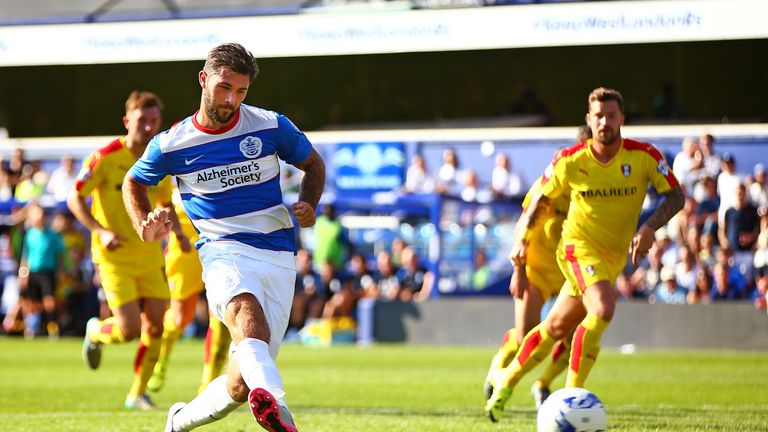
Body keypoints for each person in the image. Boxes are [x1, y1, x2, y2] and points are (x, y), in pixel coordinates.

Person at [122, 43, 325, 432]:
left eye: (241, 91)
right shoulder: (172, 143)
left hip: (277, 254)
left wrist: (309, 204)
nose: (232, 100)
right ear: (203, 79)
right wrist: (143, 221)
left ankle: (179, 421)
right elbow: (134, 181)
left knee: (240, 382)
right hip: (221, 250)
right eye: (224, 87)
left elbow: (313, 164)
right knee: (247, 318)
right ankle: (281, 410)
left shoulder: (270, 125)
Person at [485, 87, 684, 422]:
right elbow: (538, 202)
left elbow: (676, 196)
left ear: (622, 119)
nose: (605, 122)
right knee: (603, 308)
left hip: (612, 259)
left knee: (555, 327)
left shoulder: (645, 157)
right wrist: (521, 245)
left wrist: (650, 227)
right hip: (576, 250)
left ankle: (507, 379)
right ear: (589, 120)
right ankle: (572, 400)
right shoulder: (569, 161)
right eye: (599, 116)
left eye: (611, 116)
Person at [68, 90, 181, 410]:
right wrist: (100, 231)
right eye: (142, 120)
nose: (148, 127)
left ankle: (137, 393)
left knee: (156, 325)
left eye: (154, 121)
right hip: (115, 257)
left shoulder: (157, 160)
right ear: (126, 121)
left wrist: (180, 236)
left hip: (150, 256)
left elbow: (165, 203)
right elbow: (74, 197)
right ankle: (96, 331)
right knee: (130, 330)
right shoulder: (105, 157)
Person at [482, 174, 572, 409]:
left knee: (573, 338)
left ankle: (542, 385)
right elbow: (522, 226)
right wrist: (519, 270)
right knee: (525, 338)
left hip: (568, 273)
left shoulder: (591, 188)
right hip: (536, 270)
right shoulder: (550, 184)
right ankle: (501, 360)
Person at [146, 187, 232, 396]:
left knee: (221, 317)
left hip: (220, 244)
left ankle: (208, 387)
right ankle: (161, 357)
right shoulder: (169, 174)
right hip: (184, 249)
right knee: (180, 318)